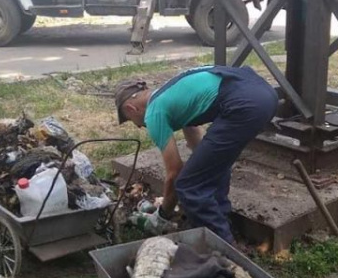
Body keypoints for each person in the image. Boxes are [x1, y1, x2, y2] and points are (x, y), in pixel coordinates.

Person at [115, 65, 278, 245]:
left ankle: (222, 246)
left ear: (131, 109)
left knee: (189, 185)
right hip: (264, 92)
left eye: (132, 121)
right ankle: (220, 222)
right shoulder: (173, 94)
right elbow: (200, 149)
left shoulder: (154, 113)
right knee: (212, 166)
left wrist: (162, 215)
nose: (138, 126)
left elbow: (174, 172)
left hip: (244, 102)